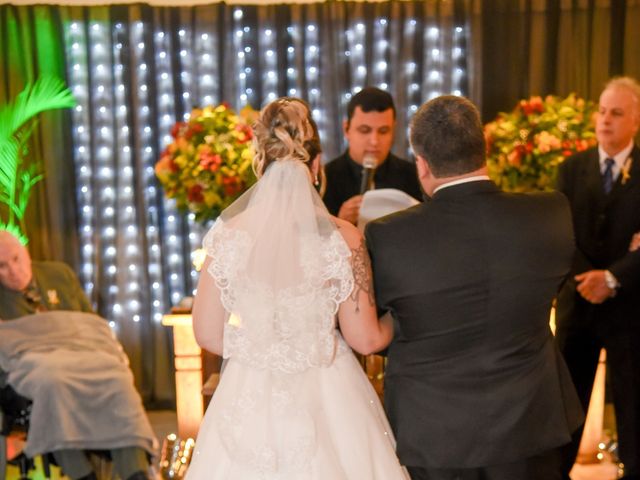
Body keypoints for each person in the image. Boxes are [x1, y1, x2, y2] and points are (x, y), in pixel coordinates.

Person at [185, 97, 408, 479]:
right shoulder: (346, 238)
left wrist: (261, 347)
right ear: (317, 164)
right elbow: (366, 339)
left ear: (260, 160)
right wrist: (402, 318)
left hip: (248, 390)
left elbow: (207, 333)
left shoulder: (227, 236)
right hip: (329, 389)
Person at [365, 95, 583, 480]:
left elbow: (373, 327)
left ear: (422, 164)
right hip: (529, 421)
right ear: (483, 146)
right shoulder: (551, 214)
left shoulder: (389, 236)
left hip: (434, 429)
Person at [0, 230, 156, 480]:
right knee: (53, 381)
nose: (13, 271)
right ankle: (83, 475)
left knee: (115, 376)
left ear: (26, 254)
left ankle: (135, 471)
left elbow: (88, 323)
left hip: (82, 354)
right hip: (34, 362)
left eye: (16, 259)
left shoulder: (58, 274)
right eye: (2, 266)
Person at [555, 76, 640, 480]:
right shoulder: (570, 169)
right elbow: (559, 234)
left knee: (634, 410)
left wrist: (613, 276)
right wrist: (588, 279)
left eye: (617, 113)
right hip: (579, 303)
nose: (605, 120)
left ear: (636, 120)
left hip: (631, 310)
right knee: (567, 407)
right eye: (602, 110)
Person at [323, 87, 422, 225]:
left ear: (393, 130)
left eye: (383, 131)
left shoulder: (414, 177)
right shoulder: (326, 179)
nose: (374, 141)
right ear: (346, 129)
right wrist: (339, 223)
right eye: (364, 130)